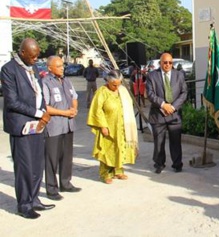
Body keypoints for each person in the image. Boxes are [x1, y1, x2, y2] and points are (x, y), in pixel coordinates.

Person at [0, 38, 54, 219]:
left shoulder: (34, 67)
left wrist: (44, 112)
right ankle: (24, 204)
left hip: (38, 124)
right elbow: (12, 101)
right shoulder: (8, 70)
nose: (35, 59)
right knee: (25, 166)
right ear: (22, 52)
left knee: (37, 164)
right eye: (32, 56)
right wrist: (39, 113)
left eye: (37, 55)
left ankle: (35, 199)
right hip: (21, 125)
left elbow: (39, 92)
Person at [87, 70, 139, 184]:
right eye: (114, 85)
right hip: (108, 126)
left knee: (120, 147)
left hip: (122, 125)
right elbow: (97, 110)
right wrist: (102, 126)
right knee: (107, 149)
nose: (117, 87)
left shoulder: (122, 91)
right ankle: (105, 174)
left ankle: (118, 170)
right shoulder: (102, 92)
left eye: (119, 84)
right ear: (108, 81)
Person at [42, 56, 81, 201]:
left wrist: (74, 109)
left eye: (62, 65)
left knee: (67, 156)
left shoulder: (67, 81)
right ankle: (51, 189)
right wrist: (64, 113)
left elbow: (74, 97)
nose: (62, 68)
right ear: (49, 68)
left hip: (68, 125)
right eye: (58, 66)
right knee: (52, 158)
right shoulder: (46, 83)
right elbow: (45, 106)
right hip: (54, 126)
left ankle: (65, 183)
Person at [147, 52, 188, 174]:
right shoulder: (152, 76)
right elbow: (150, 94)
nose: (168, 65)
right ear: (160, 63)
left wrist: (173, 107)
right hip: (158, 114)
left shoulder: (179, 75)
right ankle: (159, 164)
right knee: (159, 142)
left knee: (175, 141)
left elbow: (184, 93)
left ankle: (177, 164)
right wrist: (163, 105)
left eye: (170, 62)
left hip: (174, 114)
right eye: (165, 62)